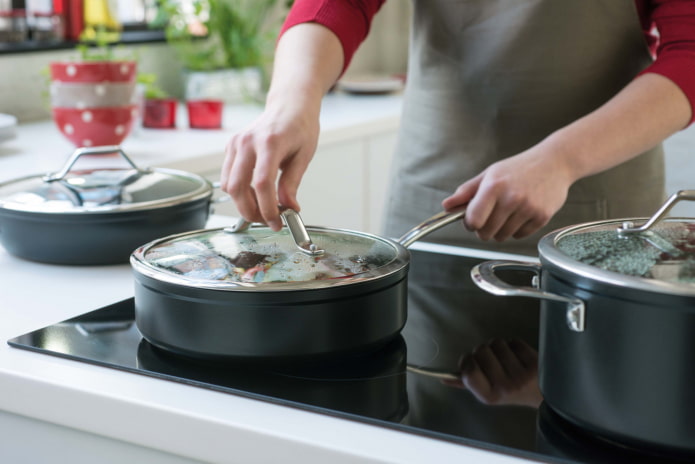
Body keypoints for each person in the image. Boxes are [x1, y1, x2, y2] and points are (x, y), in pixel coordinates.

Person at [220, 0, 694, 257]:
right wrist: (291, 104)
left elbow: (689, 53)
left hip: (597, 216)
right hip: (433, 207)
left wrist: (562, 159)